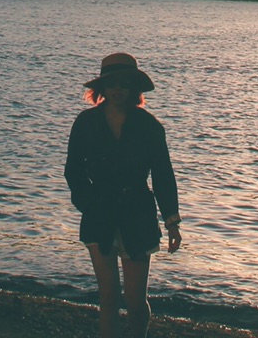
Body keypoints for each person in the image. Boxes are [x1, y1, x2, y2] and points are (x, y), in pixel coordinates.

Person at [63, 52, 181, 338]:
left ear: (134, 89)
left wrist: (172, 221)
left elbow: (163, 175)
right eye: (112, 83)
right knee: (109, 297)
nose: (117, 90)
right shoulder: (86, 122)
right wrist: (88, 203)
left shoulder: (149, 126)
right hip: (98, 213)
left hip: (137, 214)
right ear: (102, 88)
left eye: (124, 84)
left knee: (135, 301)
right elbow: (73, 170)